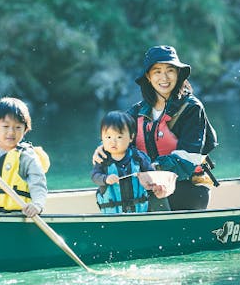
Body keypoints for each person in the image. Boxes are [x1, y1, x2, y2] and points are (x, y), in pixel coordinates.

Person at [93, 45, 218, 211]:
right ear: (148, 76)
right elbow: (117, 135)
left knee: (147, 195)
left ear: (178, 74)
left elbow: (188, 159)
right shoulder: (137, 111)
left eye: (170, 70)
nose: (164, 77)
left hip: (188, 187)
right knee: (112, 190)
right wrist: (102, 149)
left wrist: (152, 171)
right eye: (157, 71)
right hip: (148, 185)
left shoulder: (192, 109)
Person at [91, 110, 155, 213]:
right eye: (108, 137)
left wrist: (149, 178)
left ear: (131, 137)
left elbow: (151, 174)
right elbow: (94, 176)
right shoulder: (102, 159)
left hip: (140, 212)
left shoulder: (138, 157)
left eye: (119, 137)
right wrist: (105, 179)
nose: (113, 141)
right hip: (113, 214)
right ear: (102, 138)